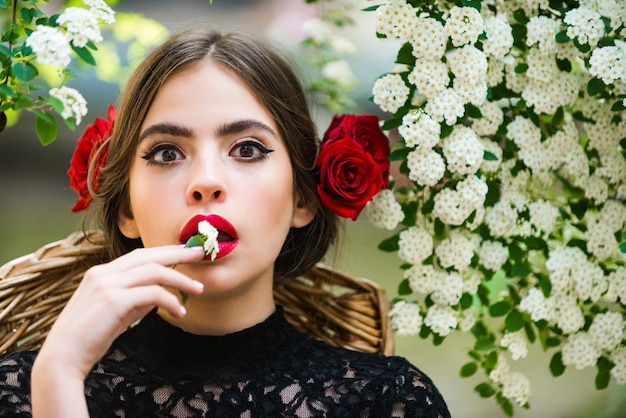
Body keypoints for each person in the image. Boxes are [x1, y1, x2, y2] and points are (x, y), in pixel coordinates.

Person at [0, 26, 450, 417]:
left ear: (301, 198)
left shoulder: (389, 400)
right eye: (167, 153)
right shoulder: (22, 392)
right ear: (127, 210)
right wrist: (58, 377)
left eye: (248, 149)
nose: (207, 182)